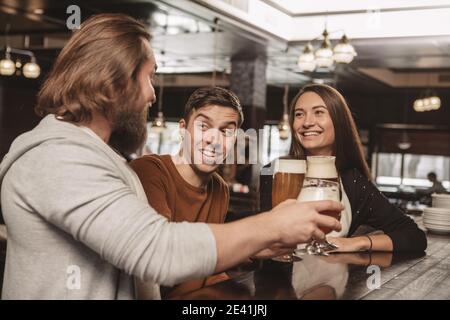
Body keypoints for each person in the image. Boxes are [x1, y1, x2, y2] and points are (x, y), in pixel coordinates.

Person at [0, 14, 343, 299]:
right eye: (149, 77)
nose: (152, 94)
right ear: (114, 83)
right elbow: (158, 252)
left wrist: (257, 243)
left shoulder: (99, 157)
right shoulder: (58, 157)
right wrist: (272, 226)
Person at [261, 84, 426, 253]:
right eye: (299, 114)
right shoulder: (274, 171)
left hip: (333, 276)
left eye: (319, 112)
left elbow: (415, 236)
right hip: (278, 275)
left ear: (338, 121)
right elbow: (262, 236)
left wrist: (359, 243)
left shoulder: (353, 181)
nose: (307, 122)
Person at [130, 87, 243, 298]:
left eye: (226, 131)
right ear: (182, 130)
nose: (214, 140)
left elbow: (208, 265)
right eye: (203, 126)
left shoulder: (219, 188)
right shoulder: (150, 171)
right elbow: (162, 258)